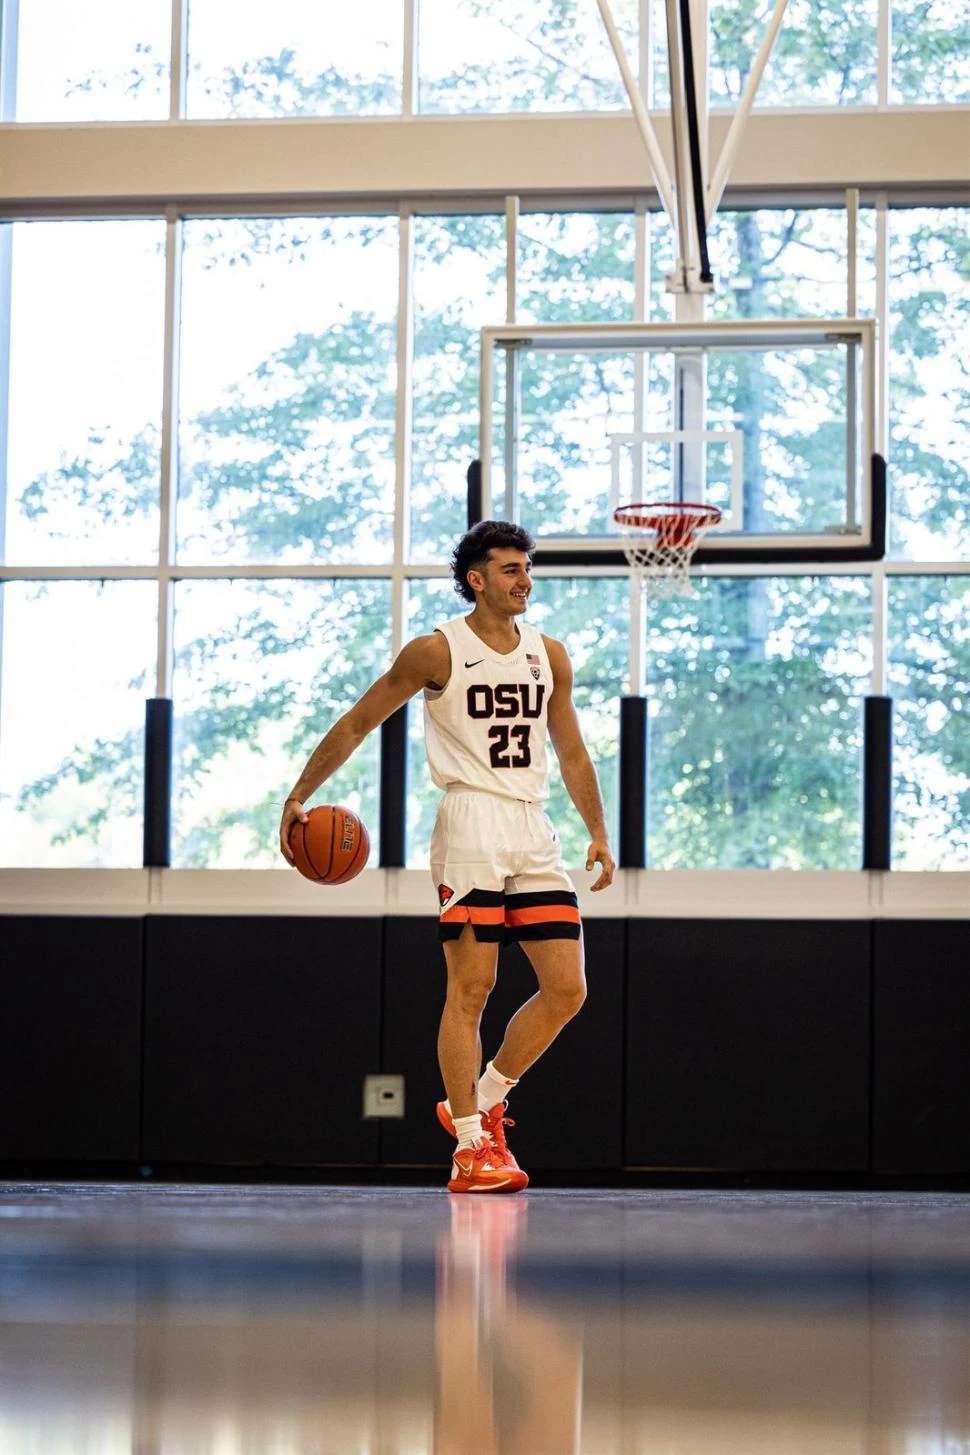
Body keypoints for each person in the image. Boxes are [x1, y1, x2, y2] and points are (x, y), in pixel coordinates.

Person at [279, 520, 615, 1193]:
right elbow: (357, 721)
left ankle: (486, 1097)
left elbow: (572, 750)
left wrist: (599, 831)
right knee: (472, 988)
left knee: (567, 988)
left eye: (528, 568)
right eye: (511, 569)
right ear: (477, 579)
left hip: (531, 825)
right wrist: (300, 793)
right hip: (469, 823)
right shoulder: (437, 650)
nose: (525, 580)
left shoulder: (549, 654)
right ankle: (468, 1147)